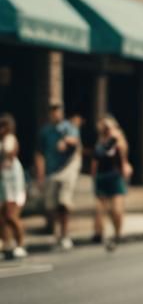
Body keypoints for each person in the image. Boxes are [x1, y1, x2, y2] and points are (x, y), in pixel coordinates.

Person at [34, 101, 81, 251]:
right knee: (51, 206)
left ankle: (65, 235)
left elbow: (75, 141)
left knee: (64, 203)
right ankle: (55, 234)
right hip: (51, 171)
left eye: (58, 111)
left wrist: (65, 140)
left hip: (66, 169)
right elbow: (39, 154)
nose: (56, 114)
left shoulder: (68, 127)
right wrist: (40, 176)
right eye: (53, 111)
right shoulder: (45, 131)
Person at [91, 115, 131, 251]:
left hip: (116, 177)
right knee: (100, 210)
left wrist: (115, 135)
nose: (106, 129)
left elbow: (123, 154)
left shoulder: (118, 140)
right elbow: (95, 161)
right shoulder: (99, 143)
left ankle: (118, 233)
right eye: (104, 127)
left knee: (117, 210)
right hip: (102, 177)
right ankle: (100, 233)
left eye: (108, 127)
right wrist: (94, 177)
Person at [0, 113, 28, 259]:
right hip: (3, 183)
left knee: (11, 215)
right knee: (2, 217)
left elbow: (10, 153)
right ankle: (6, 244)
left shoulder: (10, 139)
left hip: (13, 182)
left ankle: (21, 243)